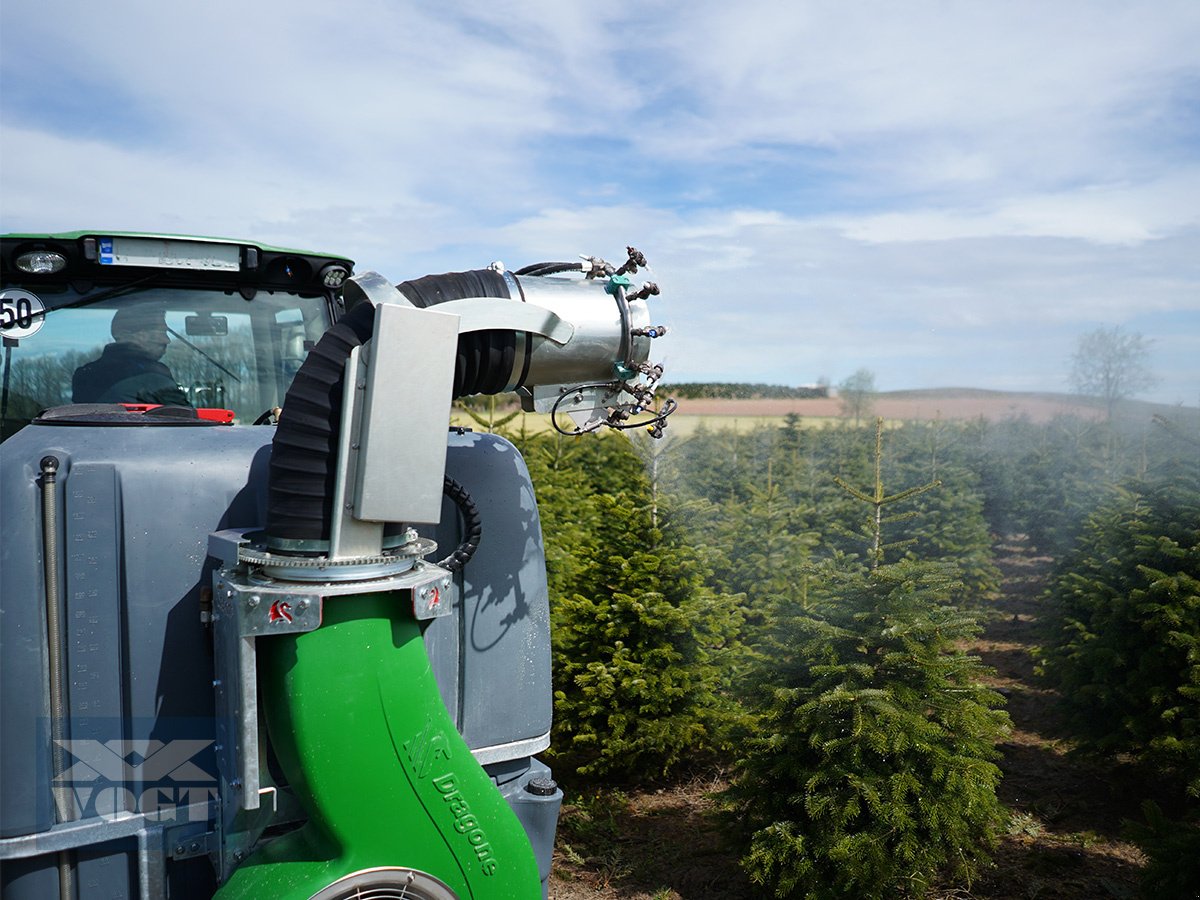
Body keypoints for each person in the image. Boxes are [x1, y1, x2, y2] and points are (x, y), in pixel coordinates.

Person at [73, 306, 191, 407]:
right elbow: (185, 417)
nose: (167, 340)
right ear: (137, 335)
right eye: (162, 333)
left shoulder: (85, 374)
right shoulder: (153, 374)